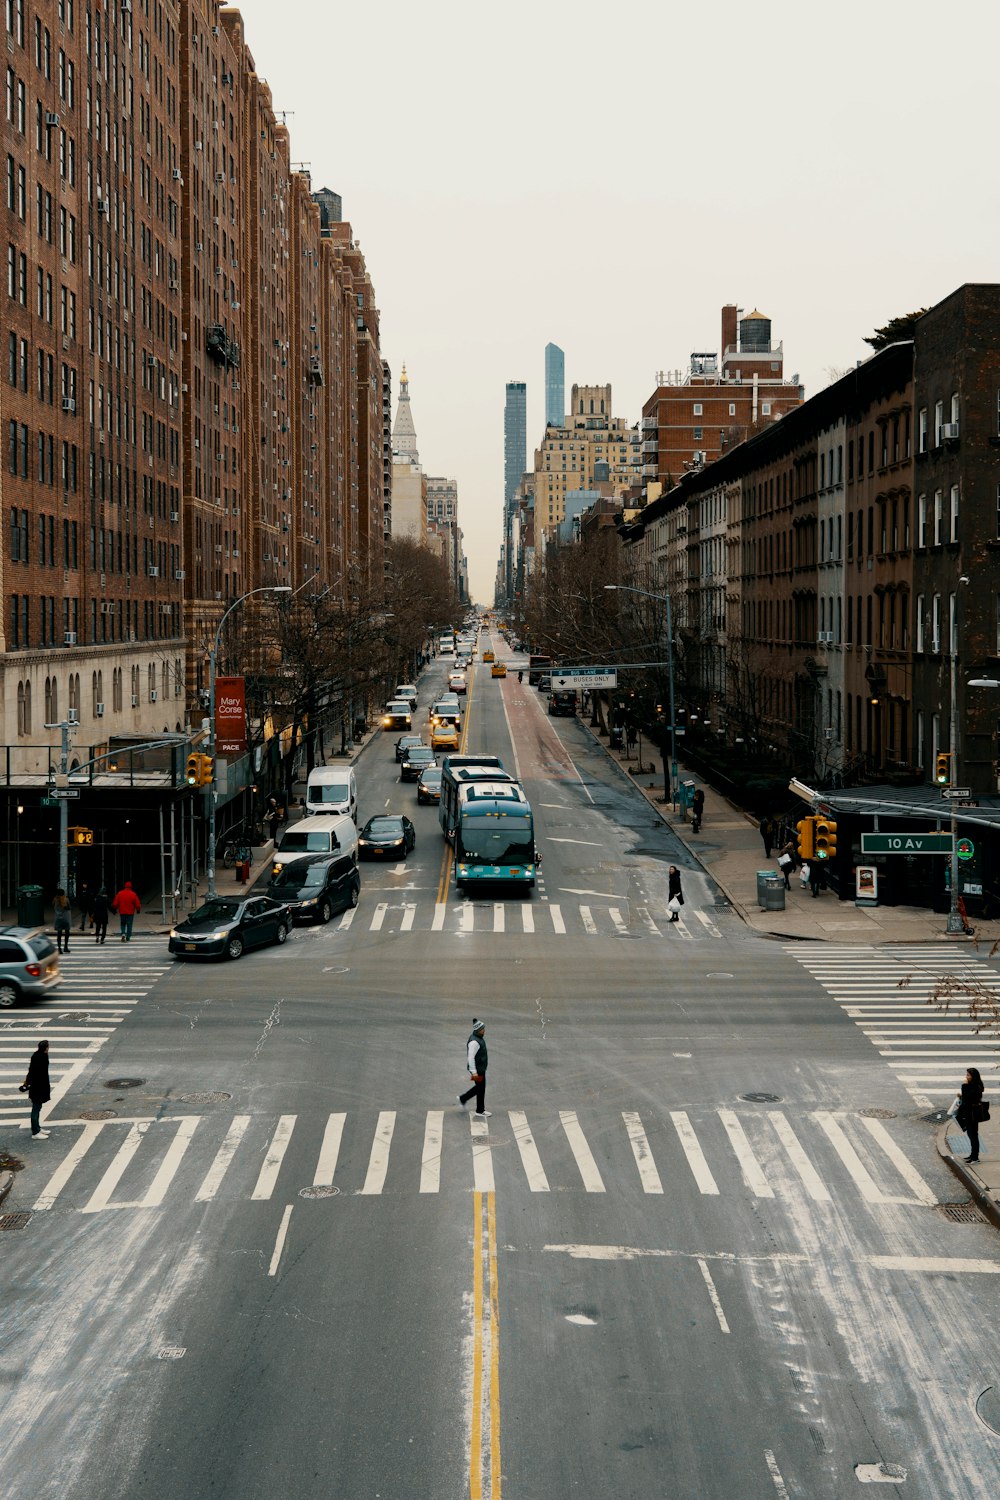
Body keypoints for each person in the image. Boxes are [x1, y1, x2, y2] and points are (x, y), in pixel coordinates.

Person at [457, 1018, 491, 1118]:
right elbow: (470, 1058)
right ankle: (479, 1110)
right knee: (480, 1088)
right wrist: (474, 1072)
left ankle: (464, 1099)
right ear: (478, 1030)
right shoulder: (474, 1042)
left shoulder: (478, 1037)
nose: (484, 1030)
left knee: (480, 1088)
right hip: (477, 1070)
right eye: (482, 1029)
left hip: (480, 1069)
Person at [19, 1039, 51, 1139]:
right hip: (37, 1087)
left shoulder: (42, 1055)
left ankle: (37, 1127)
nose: (48, 1048)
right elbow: (31, 1072)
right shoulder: (38, 1057)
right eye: (48, 1047)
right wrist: (26, 1084)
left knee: (38, 1107)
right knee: (36, 1109)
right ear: (45, 1048)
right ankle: (35, 1132)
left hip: (41, 1086)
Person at [955, 1066, 985, 1164]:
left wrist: (964, 1086)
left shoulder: (976, 1086)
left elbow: (968, 1099)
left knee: (973, 1135)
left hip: (973, 1114)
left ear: (973, 1076)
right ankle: (972, 1155)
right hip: (970, 1113)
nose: (966, 1077)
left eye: (968, 1075)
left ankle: (975, 1158)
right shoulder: (973, 1085)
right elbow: (968, 1097)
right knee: (970, 1134)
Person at [53, 888, 72, 953]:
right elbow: (69, 907)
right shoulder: (66, 899)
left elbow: (53, 906)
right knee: (67, 933)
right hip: (66, 918)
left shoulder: (55, 900)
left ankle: (59, 948)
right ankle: (65, 947)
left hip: (58, 918)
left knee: (59, 934)